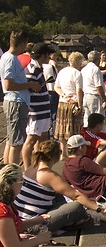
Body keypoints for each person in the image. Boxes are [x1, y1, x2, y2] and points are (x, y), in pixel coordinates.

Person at [14, 139, 106, 231]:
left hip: (19, 218)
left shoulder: (31, 168)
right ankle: (93, 214)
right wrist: (100, 209)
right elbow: (76, 196)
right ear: (56, 157)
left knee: (62, 194)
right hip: (33, 224)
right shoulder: (49, 175)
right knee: (76, 206)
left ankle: (83, 214)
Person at [0, 31, 41, 165]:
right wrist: (30, 84)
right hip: (15, 102)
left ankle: (8, 171)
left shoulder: (8, 57)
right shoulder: (11, 59)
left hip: (15, 101)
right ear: (22, 43)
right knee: (17, 143)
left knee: (11, 140)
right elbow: (8, 84)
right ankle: (14, 175)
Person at [22, 43, 54, 171]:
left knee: (42, 141)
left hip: (42, 111)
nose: (50, 57)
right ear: (43, 55)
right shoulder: (31, 69)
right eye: (48, 54)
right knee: (30, 140)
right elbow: (29, 89)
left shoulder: (37, 68)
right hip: (36, 112)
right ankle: (27, 169)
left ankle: (37, 166)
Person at [54, 52, 84, 158]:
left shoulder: (62, 71)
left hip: (63, 102)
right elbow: (79, 91)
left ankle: (63, 152)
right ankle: (72, 153)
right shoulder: (77, 73)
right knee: (74, 129)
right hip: (73, 103)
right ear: (76, 61)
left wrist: (64, 95)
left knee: (62, 128)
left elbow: (56, 87)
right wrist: (80, 106)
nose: (81, 64)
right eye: (80, 61)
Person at [81, 50, 106, 127]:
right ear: (98, 60)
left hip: (86, 96)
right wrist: (105, 99)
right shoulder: (96, 70)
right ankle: (97, 137)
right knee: (98, 120)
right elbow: (98, 86)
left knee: (87, 119)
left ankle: (87, 136)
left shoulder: (84, 69)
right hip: (95, 97)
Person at [43, 53, 59, 138]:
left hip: (44, 91)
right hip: (52, 92)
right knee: (54, 116)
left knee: (46, 116)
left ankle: (47, 136)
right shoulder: (51, 67)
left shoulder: (41, 66)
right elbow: (56, 79)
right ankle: (55, 135)